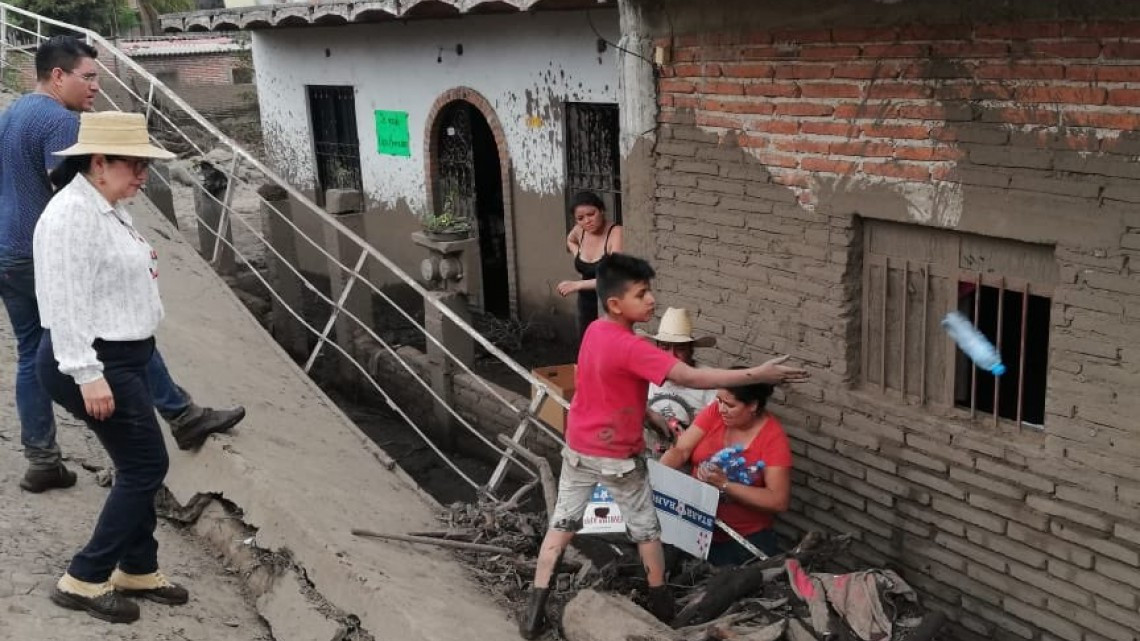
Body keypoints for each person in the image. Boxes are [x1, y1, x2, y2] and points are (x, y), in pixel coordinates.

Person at [518, 253, 809, 639]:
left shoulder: (594, 332)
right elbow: (690, 377)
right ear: (616, 304)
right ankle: (662, 605)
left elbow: (611, 391)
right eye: (642, 294)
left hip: (578, 451)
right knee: (648, 533)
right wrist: (760, 373)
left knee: (560, 530)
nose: (652, 299)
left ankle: (533, 614)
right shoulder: (633, 347)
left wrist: (652, 418)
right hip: (618, 461)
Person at [0, 36, 244, 494]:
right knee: (123, 331)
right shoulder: (60, 122)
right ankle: (180, 415)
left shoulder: (11, 113)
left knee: (32, 352)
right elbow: (78, 192)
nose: (95, 87)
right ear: (58, 76)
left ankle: (42, 458)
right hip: (40, 254)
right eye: (88, 77)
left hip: (7, 250)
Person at [33, 110, 190, 623]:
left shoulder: (106, 205)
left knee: (135, 462)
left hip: (124, 356)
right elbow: (65, 301)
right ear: (99, 163)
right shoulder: (71, 216)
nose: (142, 175)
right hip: (95, 360)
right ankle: (85, 576)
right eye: (134, 165)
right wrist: (88, 373)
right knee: (147, 465)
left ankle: (138, 566)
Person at [660, 377, 792, 566]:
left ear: (753, 405)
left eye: (729, 405)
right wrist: (658, 472)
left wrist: (725, 484)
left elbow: (778, 501)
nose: (721, 408)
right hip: (693, 521)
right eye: (719, 400)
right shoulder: (716, 412)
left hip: (743, 536)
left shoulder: (773, 439)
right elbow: (682, 450)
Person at [643, 307, 717, 457]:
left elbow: (715, 436)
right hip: (646, 456)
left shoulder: (709, 382)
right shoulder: (647, 374)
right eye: (665, 347)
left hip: (688, 462)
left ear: (691, 349)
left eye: (680, 348)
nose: (672, 356)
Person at [557, 191, 622, 343]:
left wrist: (576, 285)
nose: (587, 221)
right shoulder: (580, 231)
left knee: (607, 346)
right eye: (580, 218)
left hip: (610, 302)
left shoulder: (616, 233)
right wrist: (577, 254)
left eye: (591, 214)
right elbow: (570, 240)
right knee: (586, 344)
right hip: (586, 302)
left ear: (602, 210)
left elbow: (613, 278)